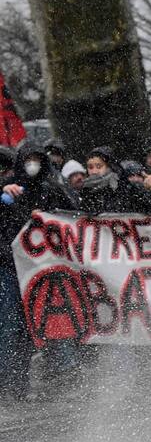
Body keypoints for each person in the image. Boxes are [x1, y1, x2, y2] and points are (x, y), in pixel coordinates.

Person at [0, 141, 76, 400]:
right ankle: (12, 382)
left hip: (45, 270)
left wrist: (47, 215)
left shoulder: (52, 190)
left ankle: (61, 376)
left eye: (37, 159)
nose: (32, 164)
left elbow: (73, 217)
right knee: (13, 326)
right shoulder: (9, 190)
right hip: (11, 268)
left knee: (53, 321)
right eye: (28, 159)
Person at [77, 147, 151, 215]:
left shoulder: (127, 190)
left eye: (99, 166)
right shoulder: (85, 193)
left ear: (110, 167)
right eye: (90, 167)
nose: (94, 171)